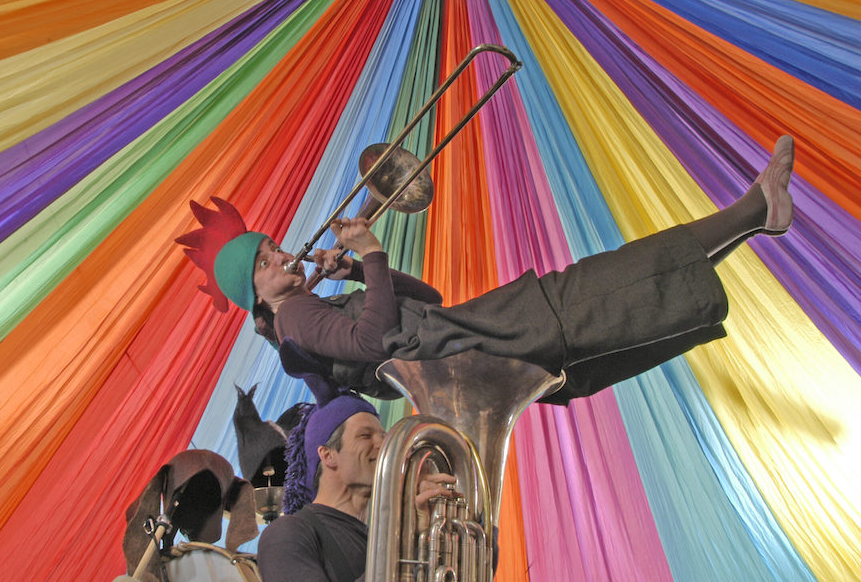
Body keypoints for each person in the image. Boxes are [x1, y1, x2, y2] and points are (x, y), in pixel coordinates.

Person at [177, 136, 795, 403]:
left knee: (629, 296)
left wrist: (366, 275)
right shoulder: (296, 317)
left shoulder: (305, 312)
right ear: (254, 294)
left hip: (472, 339)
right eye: (265, 261)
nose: (282, 254)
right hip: (485, 341)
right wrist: (367, 253)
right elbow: (375, 343)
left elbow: (428, 298)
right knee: (617, 282)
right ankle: (754, 208)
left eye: (271, 246)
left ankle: (754, 217)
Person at [255, 351, 455, 582]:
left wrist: (465, 526)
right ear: (328, 455)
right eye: (366, 436)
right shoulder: (288, 533)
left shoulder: (377, 538)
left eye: (383, 434)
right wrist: (396, 547)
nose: (384, 444)